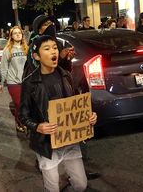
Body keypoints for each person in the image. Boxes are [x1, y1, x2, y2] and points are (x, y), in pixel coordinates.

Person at [19, 35, 98, 192]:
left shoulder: (66, 76)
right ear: (36, 56)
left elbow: (76, 104)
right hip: (46, 144)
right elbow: (23, 115)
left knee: (81, 184)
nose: (53, 51)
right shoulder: (30, 82)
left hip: (69, 140)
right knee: (52, 187)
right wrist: (37, 127)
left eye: (55, 47)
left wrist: (88, 116)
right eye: (47, 49)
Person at [0, 25, 28, 132]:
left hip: (25, 81)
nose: (17, 34)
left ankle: (25, 121)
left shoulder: (26, 48)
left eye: (19, 33)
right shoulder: (8, 50)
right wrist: (2, 82)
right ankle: (20, 122)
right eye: (15, 33)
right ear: (11, 36)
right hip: (13, 82)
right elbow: (4, 67)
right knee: (18, 103)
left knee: (26, 103)